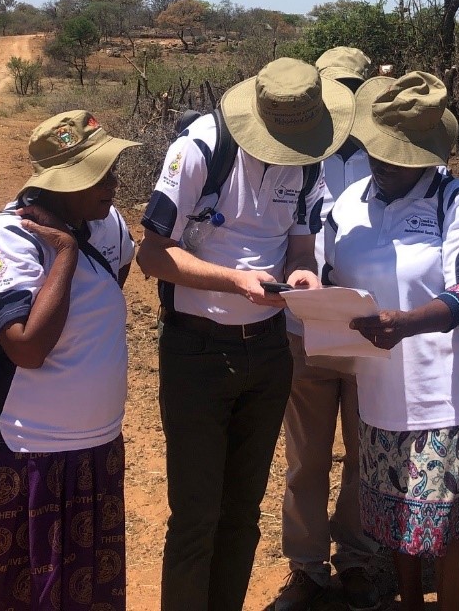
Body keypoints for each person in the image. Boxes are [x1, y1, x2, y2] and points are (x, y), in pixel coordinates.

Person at [138, 57, 355, 611]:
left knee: (242, 511)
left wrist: (303, 274)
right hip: (197, 351)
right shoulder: (201, 150)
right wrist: (235, 281)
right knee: (196, 515)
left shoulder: (309, 162)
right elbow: (153, 254)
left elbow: (300, 244)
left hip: (267, 351)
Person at [0, 110, 140, 611]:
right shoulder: (8, 238)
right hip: (21, 454)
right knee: (3, 593)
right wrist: (66, 254)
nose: (114, 181)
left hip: (92, 452)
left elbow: (116, 280)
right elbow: (26, 347)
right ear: (60, 187)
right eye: (100, 173)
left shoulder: (107, 222)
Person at [326, 71, 459, 611]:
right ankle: (409, 601)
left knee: (450, 525)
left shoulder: (458, 201)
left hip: (444, 394)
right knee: (398, 517)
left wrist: (405, 323)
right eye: (378, 152)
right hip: (379, 394)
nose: (383, 164)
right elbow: (331, 275)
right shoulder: (351, 201)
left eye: (398, 156)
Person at [274, 47, 383, 611]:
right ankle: (308, 567)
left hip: (369, 326)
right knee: (307, 456)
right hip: (307, 323)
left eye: (351, 90)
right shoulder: (292, 157)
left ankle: (359, 559)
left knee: (367, 450)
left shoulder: (388, 157)